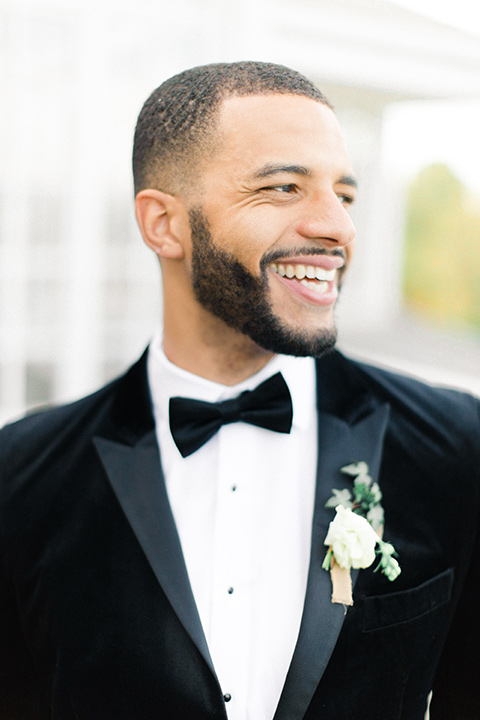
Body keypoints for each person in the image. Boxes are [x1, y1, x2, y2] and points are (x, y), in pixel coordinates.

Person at [0, 61, 479, 720]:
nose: (337, 227)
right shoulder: (20, 475)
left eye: (344, 194)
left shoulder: (458, 445)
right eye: (284, 187)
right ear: (163, 224)